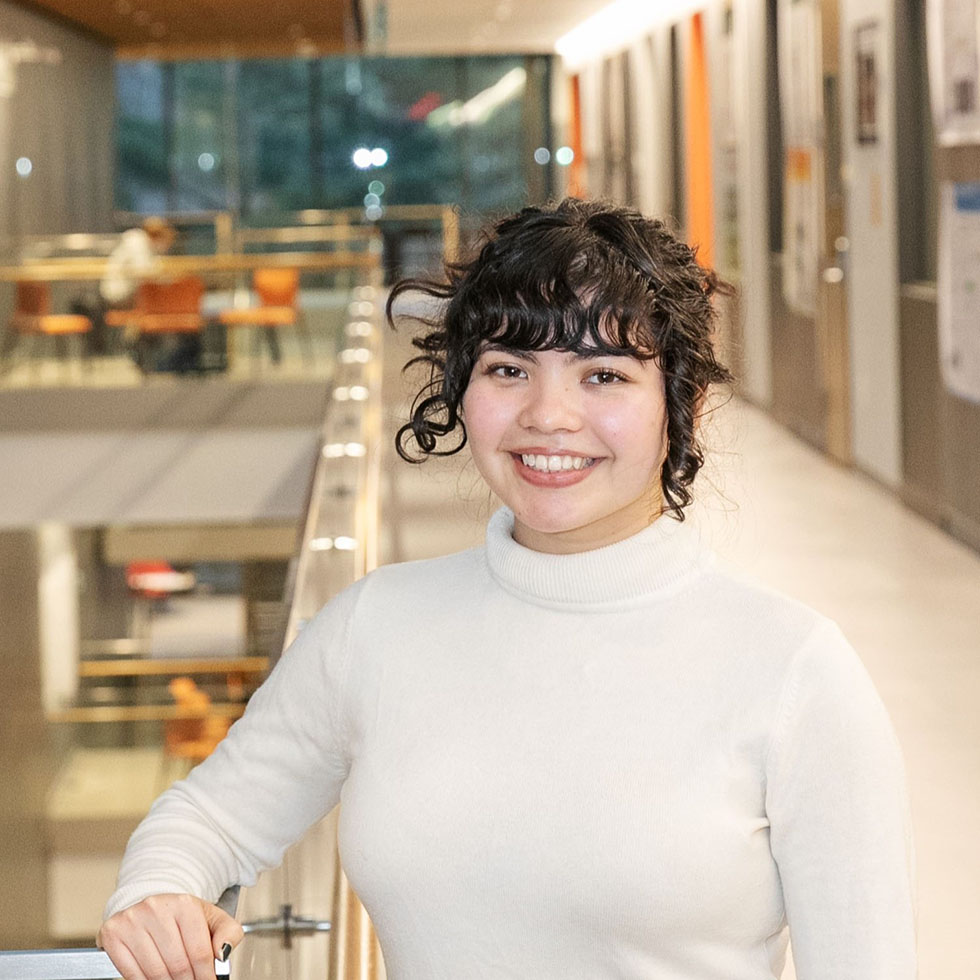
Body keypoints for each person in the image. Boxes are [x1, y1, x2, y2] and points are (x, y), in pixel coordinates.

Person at [98, 198, 916, 980]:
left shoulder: (793, 669)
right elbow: (207, 819)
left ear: (683, 402)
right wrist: (156, 896)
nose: (549, 415)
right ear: (461, 389)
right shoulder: (376, 627)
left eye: (604, 375)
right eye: (508, 367)